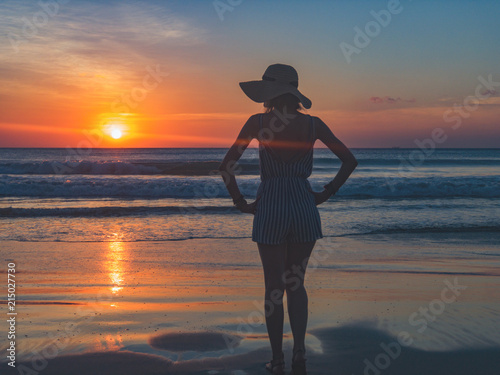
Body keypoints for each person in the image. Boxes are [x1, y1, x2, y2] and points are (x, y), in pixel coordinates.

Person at [218, 63, 358, 375]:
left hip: (270, 206)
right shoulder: (313, 125)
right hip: (303, 204)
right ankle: (300, 355)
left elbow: (227, 164)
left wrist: (240, 201)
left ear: (268, 94)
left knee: (273, 289)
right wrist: (327, 192)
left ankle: (277, 359)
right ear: (294, 93)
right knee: (297, 284)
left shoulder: (257, 122)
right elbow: (350, 160)